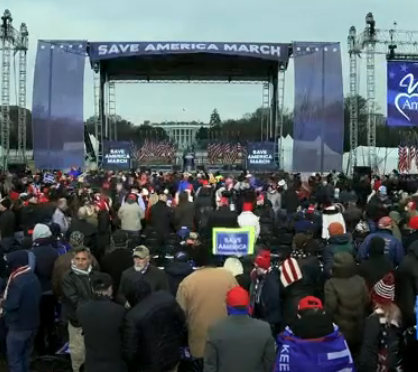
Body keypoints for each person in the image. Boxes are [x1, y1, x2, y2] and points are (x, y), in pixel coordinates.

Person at [176, 247, 237, 370]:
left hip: (199, 345)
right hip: (226, 342)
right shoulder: (228, 277)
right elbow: (239, 305)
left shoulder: (187, 282)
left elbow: (179, 315)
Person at [204, 286, 275, 372]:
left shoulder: (215, 330)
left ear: (228, 307)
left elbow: (210, 366)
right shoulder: (264, 329)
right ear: (249, 307)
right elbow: (269, 364)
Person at [123, 276, 186, 372]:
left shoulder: (132, 317)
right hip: (172, 357)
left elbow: (130, 351)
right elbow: (182, 323)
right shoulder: (167, 298)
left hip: (148, 365)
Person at [274, 296, 354, 372]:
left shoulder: (287, 342)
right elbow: (349, 365)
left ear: (299, 315)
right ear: (323, 312)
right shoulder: (338, 338)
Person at [76, 273, 127, 372]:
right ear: (110, 288)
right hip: (115, 364)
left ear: (92, 289)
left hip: (92, 364)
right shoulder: (120, 311)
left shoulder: (81, 310)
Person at [324, 252, 369, 358]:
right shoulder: (360, 280)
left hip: (341, 331)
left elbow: (330, 307)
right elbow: (367, 301)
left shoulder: (331, 284)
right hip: (359, 328)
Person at [2, 250, 41, 372]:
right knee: (25, 357)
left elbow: (11, 305)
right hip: (33, 324)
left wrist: (3, 302)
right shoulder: (33, 276)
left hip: (18, 326)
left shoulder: (17, 281)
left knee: (15, 359)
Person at [61, 246, 99, 372]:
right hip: (77, 322)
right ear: (73, 260)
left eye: (83, 259)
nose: (80, 262)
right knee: (78, 355)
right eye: (77, 259)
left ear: (89, 260)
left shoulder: (96, 274)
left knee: (94, 352)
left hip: (94, 321)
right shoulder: (68, 277)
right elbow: (74, 299)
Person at [358, 273, 402, 372]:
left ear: (375, 298)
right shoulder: (397, 316)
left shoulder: (374, 320)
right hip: (391, 366)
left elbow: (368, 351)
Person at [31, 223, 59, 355]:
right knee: (50, 322)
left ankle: (40, 351)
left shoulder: (31, 253)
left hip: (37, 293)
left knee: (39, 324)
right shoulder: (54, 252)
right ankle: (52, 349)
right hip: (50, 292)